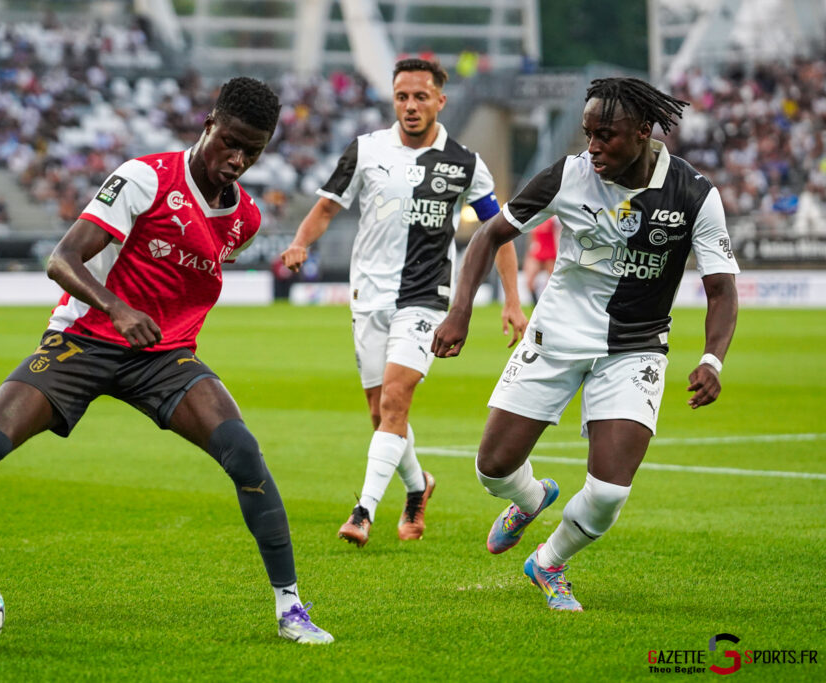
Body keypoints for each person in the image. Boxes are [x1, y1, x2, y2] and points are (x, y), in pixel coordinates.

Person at [0, 77, 333, 644]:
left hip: (162, 356)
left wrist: (160, 329)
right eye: (231, 142)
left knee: (243, 452)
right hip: (86, 338)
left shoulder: (243, 219)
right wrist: (119, 310)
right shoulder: (145, 178)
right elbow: (62, 259)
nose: (238, 160)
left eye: (254, 150)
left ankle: (290, 608)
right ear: (209, 124)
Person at [431, 77, 739, 611]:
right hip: (555, 338)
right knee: (492, 468)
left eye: (607, 136)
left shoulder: (694, 193)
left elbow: (721, 288)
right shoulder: (569, 175)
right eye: (588, 134)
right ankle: (530, 498)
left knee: (609, 493)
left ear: (644, 132)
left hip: (635, 349)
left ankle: (549, 562)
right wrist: (460, 312)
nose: (592, 147)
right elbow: (489, 234)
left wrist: (712, 359)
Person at [281, 58, 527, 548]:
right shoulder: (366, 150)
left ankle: (363, 511)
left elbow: (498, 234)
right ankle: (419, 486)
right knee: (380, 414)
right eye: (401, 97)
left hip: (427, 296)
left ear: (440, 100)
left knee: (396, 399)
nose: (410, 106)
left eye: (420, 96)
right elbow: (328, 204)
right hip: (368, 294)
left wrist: (512, 302)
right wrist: (300, 242)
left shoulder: (465, 163)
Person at [522, 216, 559, 305]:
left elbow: (558, 235)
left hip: (551, 253)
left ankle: (550, 305)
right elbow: (532, 239)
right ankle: (536, 306)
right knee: (529, 281)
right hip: (537, 252)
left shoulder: (554, 219)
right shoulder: (534, 218)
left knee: (552, 282)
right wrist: (528, 256)